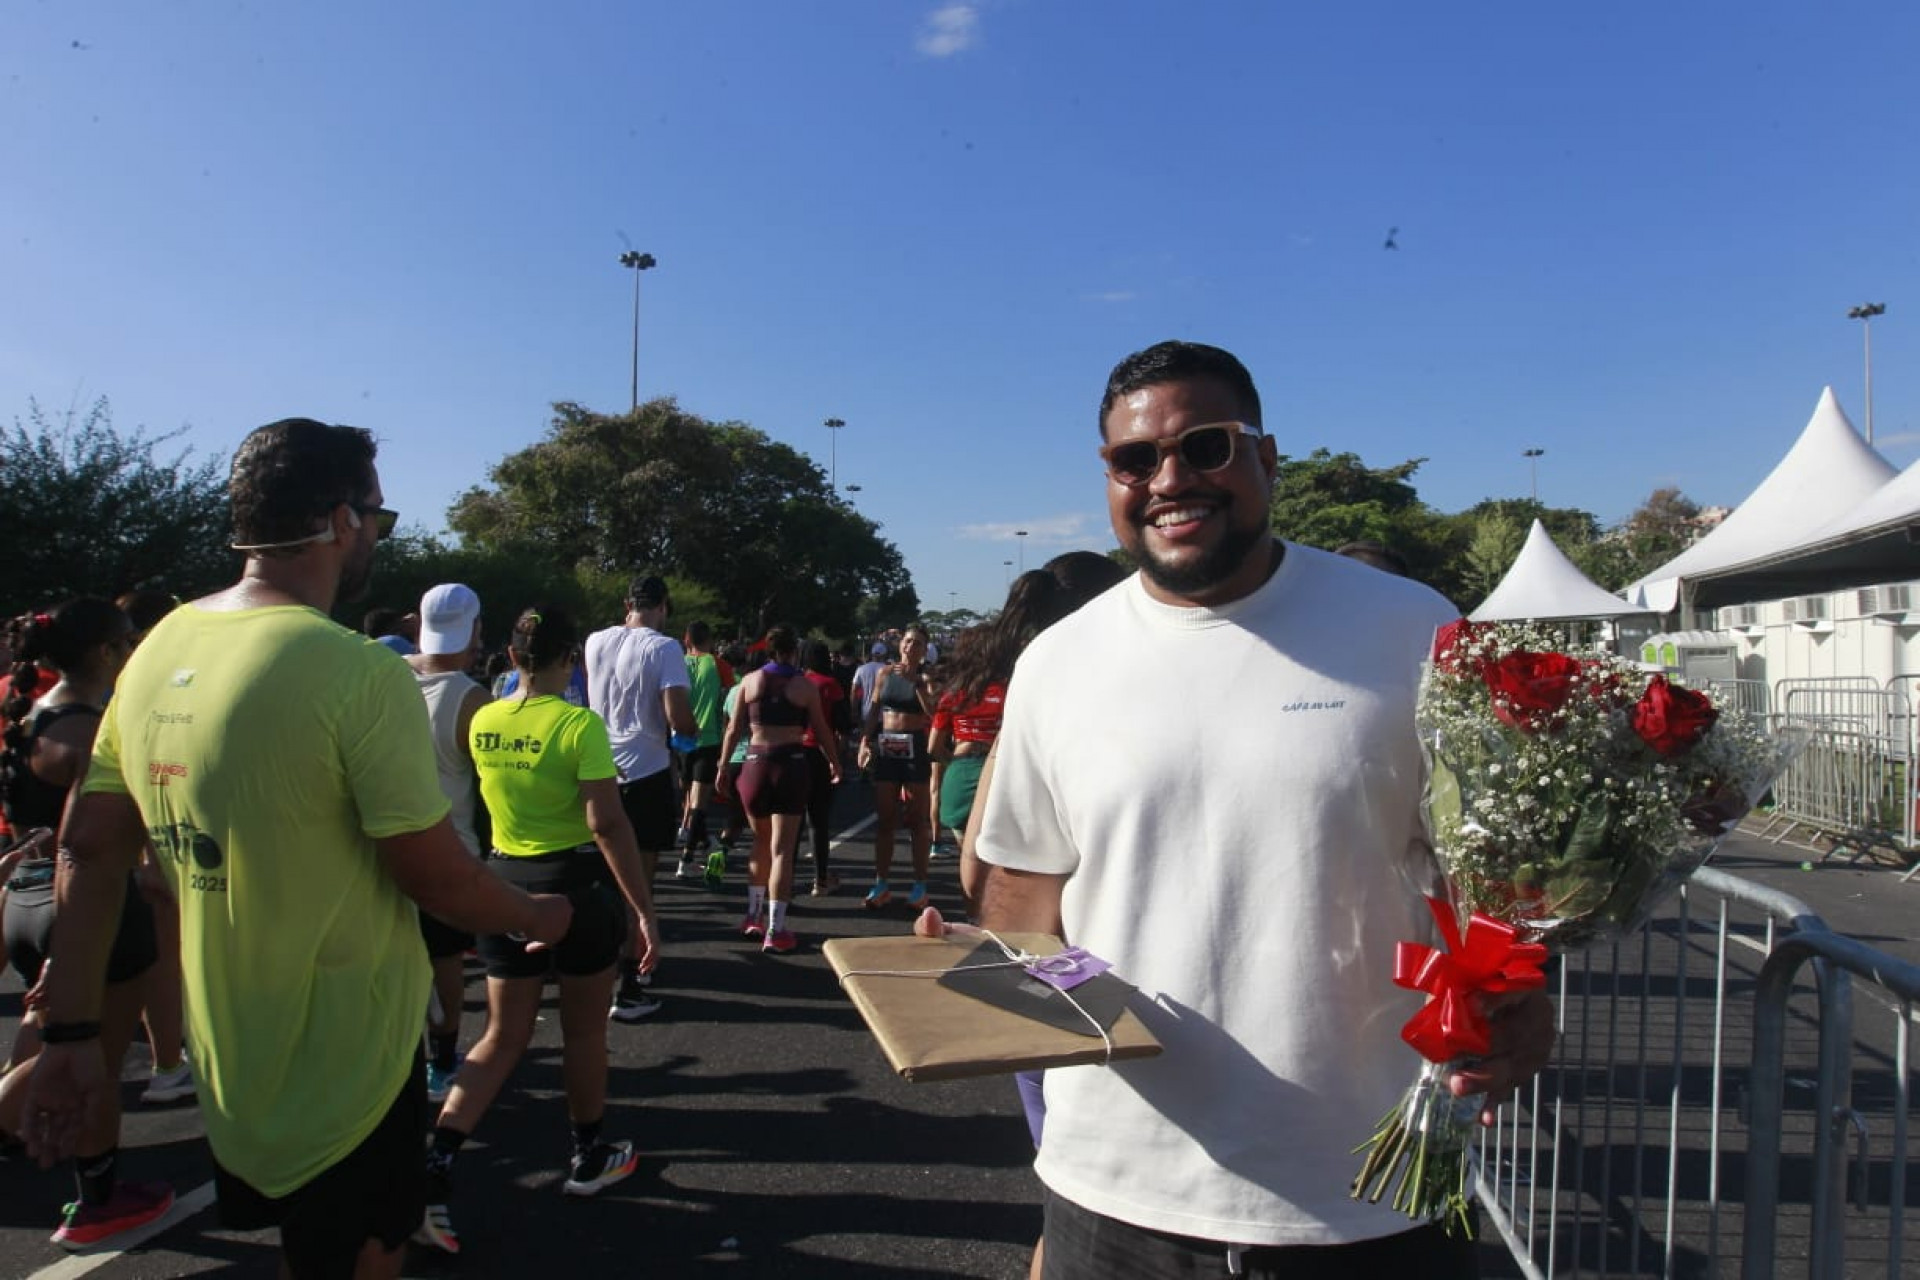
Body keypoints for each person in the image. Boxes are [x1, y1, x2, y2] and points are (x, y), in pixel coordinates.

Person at [970, 341, 1554, 1278]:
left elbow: (1494, 873)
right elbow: (1023, 899)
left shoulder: (1415, 626)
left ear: (1266, 459)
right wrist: (986, 984)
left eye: (1205, 447)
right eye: (1134, 459)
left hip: (1374, 1192)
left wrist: (1525, 985)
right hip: (1114, 1189)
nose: (1170, 479)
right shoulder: (1057, 662)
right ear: (1110, 478)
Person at [23, 417, 571, 1280]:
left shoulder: (159, 645)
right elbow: (433, 875)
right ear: (338, 521)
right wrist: (538, 911)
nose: (378, 541)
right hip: (348, 1066)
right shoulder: (356, 672)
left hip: (232, 1063)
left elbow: (88, 852)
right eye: (379, 521)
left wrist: (70, 1039)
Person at [416, 604, 661, 1256]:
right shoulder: (579, 725)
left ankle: (437, 1160)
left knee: (501, 1036)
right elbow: (607, 825)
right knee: (584, 1031)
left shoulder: (487, 718)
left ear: (513, 656)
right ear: (567, 658)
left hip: (503, 884)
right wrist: (642, 910)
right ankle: (589, 1154)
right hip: (574, 889)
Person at [0, 598, 174, 1248]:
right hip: (84, 910)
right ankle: (97, 1201)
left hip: (24, 897)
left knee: (56, 1039)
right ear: (105, 652)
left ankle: (97, 1192)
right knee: (90, 1059)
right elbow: (98, 849)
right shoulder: (98, 730)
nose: (134, 649)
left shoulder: (32, 715)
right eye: (128, 640)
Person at [584, 574, 695, 1021]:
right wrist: (690, 730)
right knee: (639, 886)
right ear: (664, 606)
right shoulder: (665, 647)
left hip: (596, 769)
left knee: (600, 881)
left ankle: (596, 971)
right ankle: (629, 986)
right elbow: (676, 715)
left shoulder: (595, 641)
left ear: (626, 602)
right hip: (644, 770)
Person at [404, 583, 492, 1104]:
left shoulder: (387, 675)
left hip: (385, 843)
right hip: (450, 845)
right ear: (474, 629)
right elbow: (489, 785)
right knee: (445, 960)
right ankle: (442, 1059)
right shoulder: (471, 697)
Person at [714, 626, 842, 952]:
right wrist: (835, 762)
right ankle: (777, 928)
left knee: (759, 843)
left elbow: (733, 729)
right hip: (790, 765)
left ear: (769, 650)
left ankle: (753, 914)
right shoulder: (804, 686)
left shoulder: (750, 681)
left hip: (755, 765)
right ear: (794, 651)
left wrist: (722, 766)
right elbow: (822, 729)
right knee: (782, 850)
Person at [855, 624, 936, 909]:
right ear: (899, 644)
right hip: (887, 746)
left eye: (917, 643)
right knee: (885, 819)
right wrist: (865, 741)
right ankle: (881, 883)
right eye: (907, 641)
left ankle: (920, 885)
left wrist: (916, 682)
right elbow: (874, 711)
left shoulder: (926, 677)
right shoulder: (884, 673)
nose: (910, 647)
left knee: (916, 820)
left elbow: (933, 712)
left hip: (914, 748)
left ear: (924, 650)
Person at [675, 620, 732, 885]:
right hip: (707, 738)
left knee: (688, 797)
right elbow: (735, 691)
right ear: (708, 640)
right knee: (698, 802)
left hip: (679, 738)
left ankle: (707, 843)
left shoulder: (678, 664)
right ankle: (686, 860)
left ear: (687, 639)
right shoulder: (717, 664)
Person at [798, 639, 849, 896]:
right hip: (820, 753)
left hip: (795, 753)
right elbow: (843, 723)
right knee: (818, 821)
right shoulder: (830, 685)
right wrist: (837, 759)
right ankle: (820, 879)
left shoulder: (798, 683)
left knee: (792, 821)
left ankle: (785, 877)